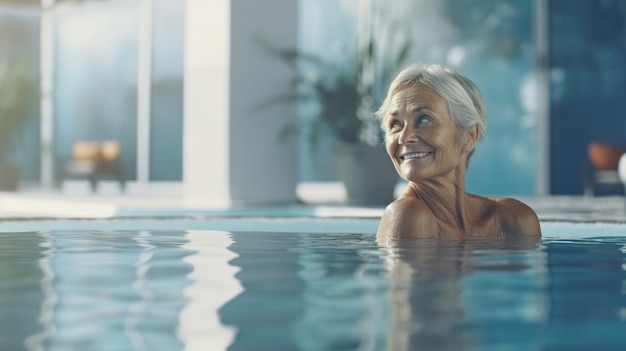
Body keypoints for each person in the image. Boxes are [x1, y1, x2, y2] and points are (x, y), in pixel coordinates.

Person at [375, 63, 541, 242]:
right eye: (395, 124)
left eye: (423, 119)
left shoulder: (515, 220)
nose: (404, 138)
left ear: (470, 136)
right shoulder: (410, 215)